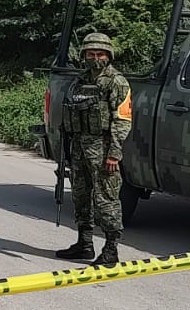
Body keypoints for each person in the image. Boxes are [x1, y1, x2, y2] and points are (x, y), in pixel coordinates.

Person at [55, 32, 132, 266]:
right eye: (91, 53)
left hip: (103, 148)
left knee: (106, 198)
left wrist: (114, 154)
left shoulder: (116, 82)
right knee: (80, 196)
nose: (95, 58)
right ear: (84, 55)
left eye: (100, 54)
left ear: (108, 55)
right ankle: (84, 244)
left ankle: (111, 249)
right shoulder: (80, 81)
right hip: (79, 147)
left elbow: (122, 120)